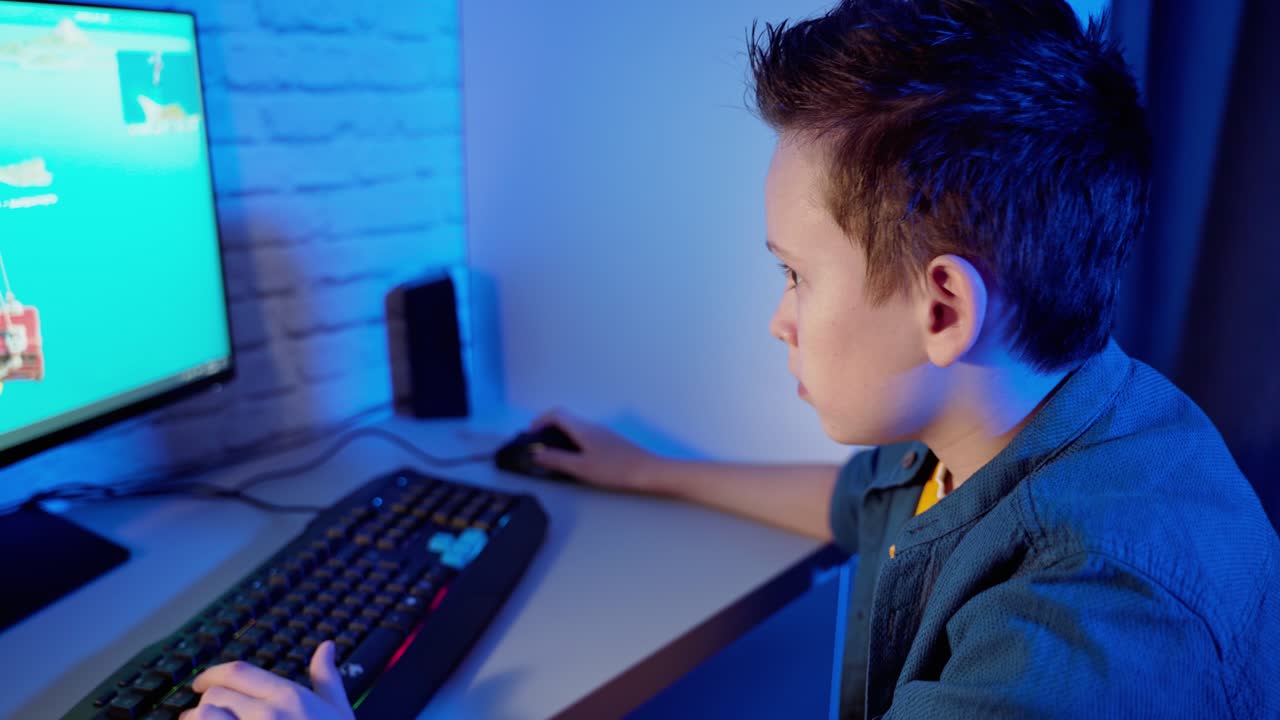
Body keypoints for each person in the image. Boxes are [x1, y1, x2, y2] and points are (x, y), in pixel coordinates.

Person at [184, 0, 1280, 718]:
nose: (780, 318)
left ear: (941, 306)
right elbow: (859, 507)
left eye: (795, 274)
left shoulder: (1086, 626)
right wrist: (641, 468)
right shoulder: (1011, 412)